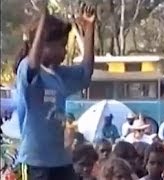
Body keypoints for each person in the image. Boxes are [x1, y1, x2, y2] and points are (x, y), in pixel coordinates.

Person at [15, 2, 95, 179]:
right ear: (43, 45)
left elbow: (85, 73)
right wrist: (43, 21)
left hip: (61, 160)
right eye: (62, 45)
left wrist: (90, 29)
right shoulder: (28, 72)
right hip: (36, 163)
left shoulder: (60, 75)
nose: (65, 51)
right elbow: (33, 64)